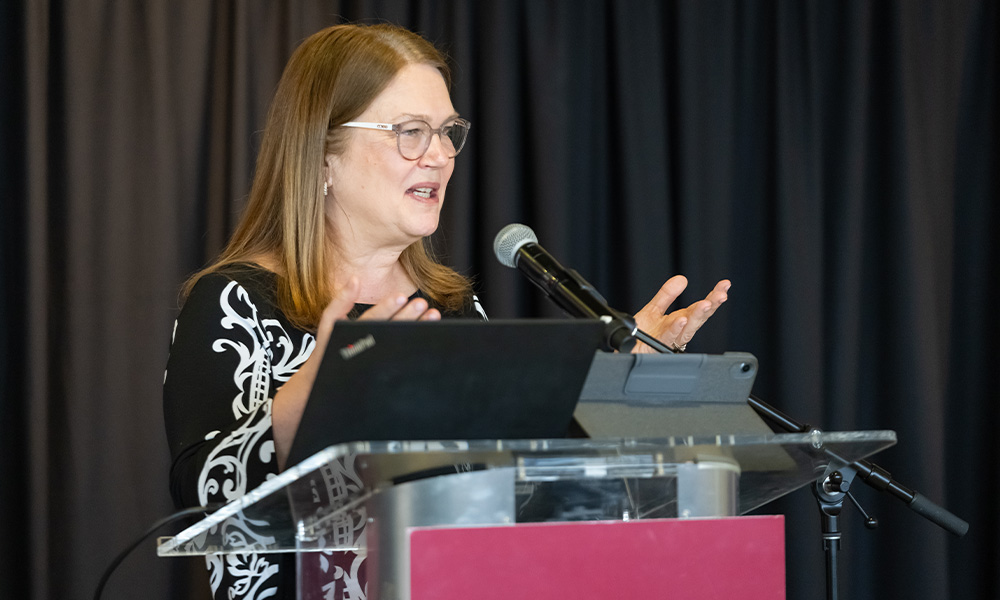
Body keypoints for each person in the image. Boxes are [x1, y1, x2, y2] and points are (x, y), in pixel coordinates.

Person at [163, 22, 730, 600]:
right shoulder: (236, 302)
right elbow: (199, 500)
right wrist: (304, 403)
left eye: (448, 132)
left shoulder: (453, 307)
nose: (439, 156)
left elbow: (519, 484)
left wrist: (620, 387)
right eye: (410, 132)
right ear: (322, 151)